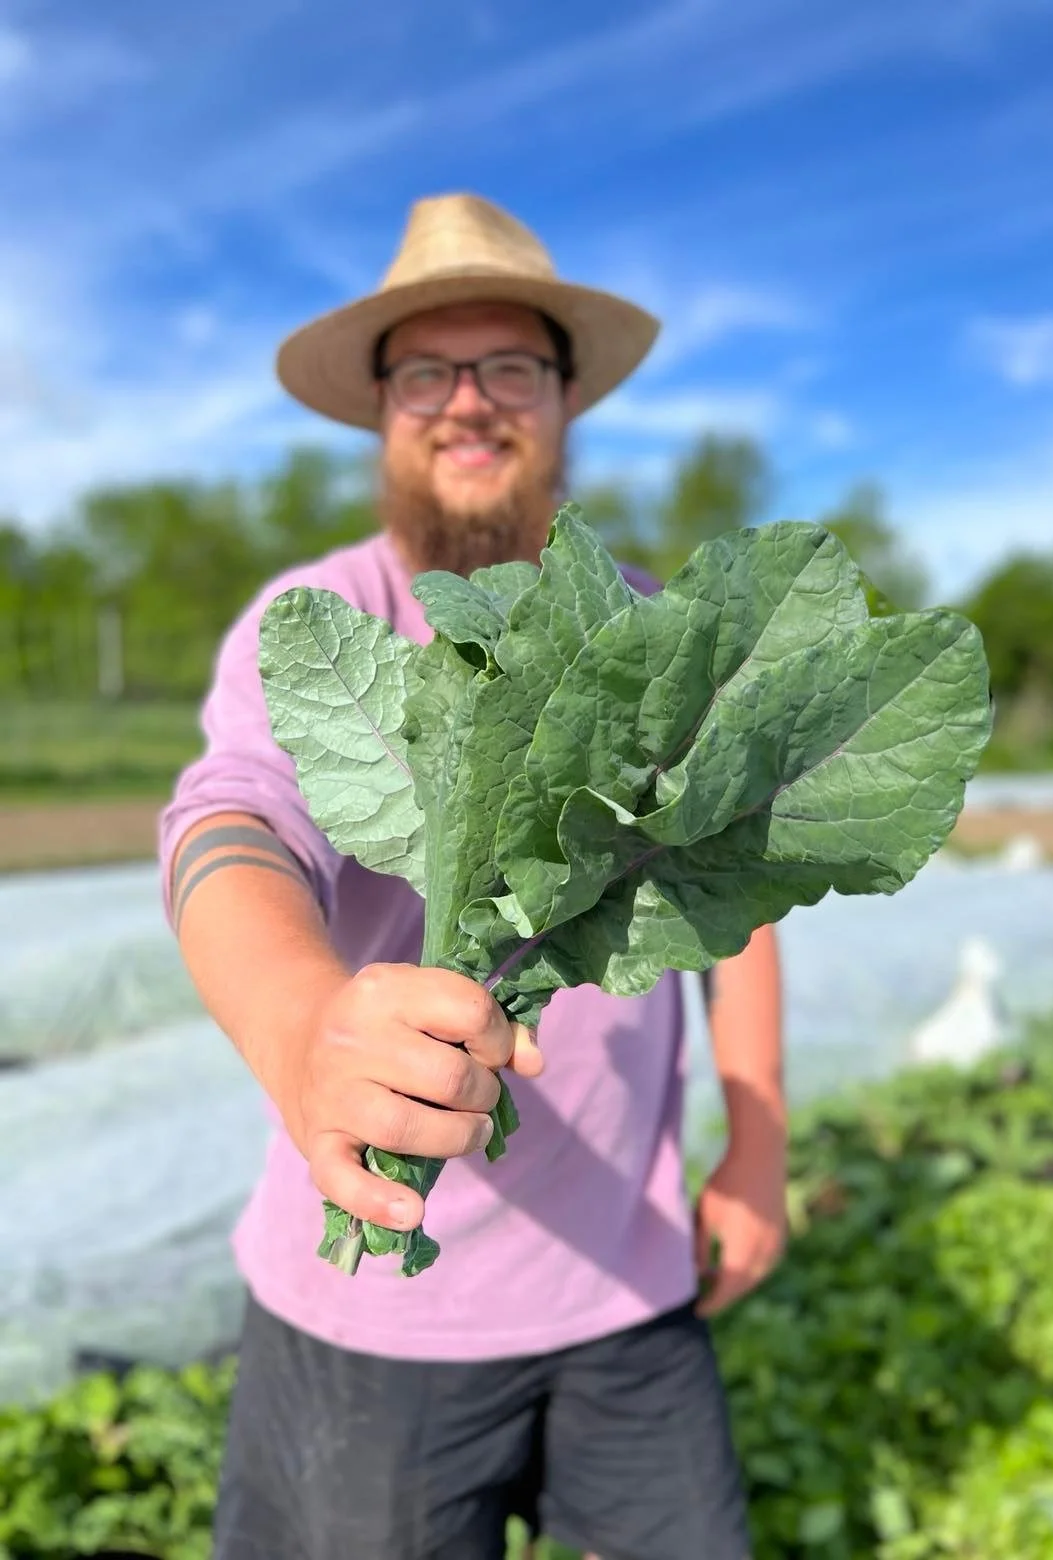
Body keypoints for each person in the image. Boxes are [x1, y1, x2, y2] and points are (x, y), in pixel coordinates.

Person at [160, 192, 786, 1560]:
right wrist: (300, 1026)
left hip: (631, 1283)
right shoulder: (321, 625)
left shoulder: (654, 630)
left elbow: (733, 902)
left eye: (509, 367)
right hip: (380, 1305)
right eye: (427, 373)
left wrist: (758, 1138)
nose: (467, 403)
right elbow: (230, 826)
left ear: (562, 401)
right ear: (381, 411)